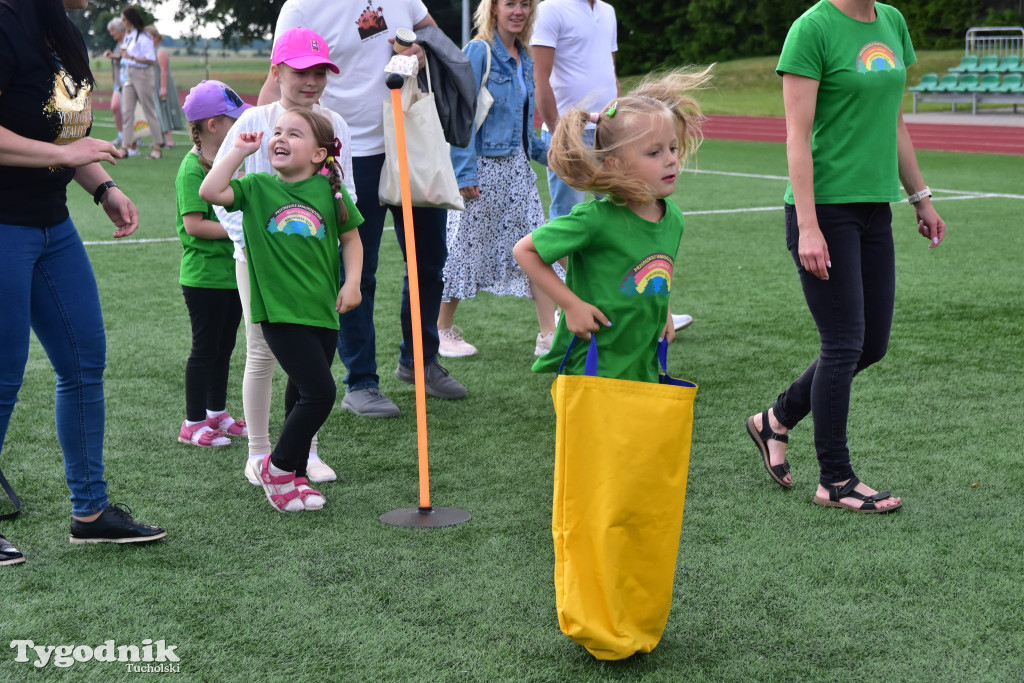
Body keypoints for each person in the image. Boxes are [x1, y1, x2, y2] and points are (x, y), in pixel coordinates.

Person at [745, 0, 945, 513]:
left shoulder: (892, 22)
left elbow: (894, 121)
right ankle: (835, 479)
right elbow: (796, 137)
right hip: (825, 211)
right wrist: (808, 226)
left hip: (876, 208)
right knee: (842, 342)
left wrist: (919, 196)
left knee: (871, 345)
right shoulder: (811, 30)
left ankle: (775, 419)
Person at [0, 0, 167, 564]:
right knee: (2, 374)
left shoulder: (60, 30)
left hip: (52, 225)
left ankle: (90, 512)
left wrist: (102, 187)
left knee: (84, 361)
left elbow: (67, 132)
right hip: (3, 227)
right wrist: (63, 154)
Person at [261, 0, 467, 418]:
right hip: (345, 154)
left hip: (409, 144)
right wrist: (256, 146)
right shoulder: (301, 8)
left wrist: (417, 53)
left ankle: (420, 360)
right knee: (359, 269)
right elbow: (278, 79)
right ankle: (361, 382)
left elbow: (430, 37)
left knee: (429, 261)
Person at [200, 109, 364, 512]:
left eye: (294, 133)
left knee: (299, 395)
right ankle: (277, 467)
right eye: (277, 132)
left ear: (318, 154)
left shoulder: (330, 193)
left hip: (323, 313)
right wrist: (237, 152)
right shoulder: (256, 187)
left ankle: (298, 476)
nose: (280, 138)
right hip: (278, 313)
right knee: (321, 391)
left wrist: (353, 282)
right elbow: (210, 191)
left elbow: (352, 240)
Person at [215, 27, 354, 485]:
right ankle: (258, 453)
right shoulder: (254, 122)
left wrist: (335, 256)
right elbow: (222, 193)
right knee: (261, 352)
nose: (310, 81)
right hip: (256, 259)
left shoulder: (336, 125)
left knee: (313, 358)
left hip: (313, 261)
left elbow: (342, 195)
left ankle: (304, 453)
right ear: (277, 71)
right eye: (300, 72)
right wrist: (254, 245)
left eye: (319, 72)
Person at [513, 68, 711, 382]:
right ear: (614, 165)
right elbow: (526, 251)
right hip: (591, 365)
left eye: (672, 148)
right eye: (654, 152)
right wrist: (571, 306)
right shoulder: (595, 220)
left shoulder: (672, 217)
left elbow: (657, 269)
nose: (671, 159)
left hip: (641, 362)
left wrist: (664, 313)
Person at [440, 0, 556, 359]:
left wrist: (553, 155)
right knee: (463, 248)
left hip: (518, 170)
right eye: (510, 4)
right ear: (493, 9)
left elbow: (523, 129)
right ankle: (441, 330)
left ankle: (548, 335)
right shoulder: (478, 52)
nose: (518, 10)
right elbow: (462, 118)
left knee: (538, 246)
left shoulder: (525, 58)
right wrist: (464, 173)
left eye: (524, 4)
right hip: (481, 170)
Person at [175, 80, 251, 448]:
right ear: (212, 125)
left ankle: (216, 414)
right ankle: (192, 423)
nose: (239, 126)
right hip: (204, 279)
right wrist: (240, 228)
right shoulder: (192, 169)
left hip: (230, 275)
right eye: (232, 120)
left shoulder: (227, 164)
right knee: (204, 349)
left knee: (224, 349)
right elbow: (194, 225)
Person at [530, 0, 618, 221]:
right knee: (567, 218)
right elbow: (540, 78)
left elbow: (611, 71)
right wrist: (560, 132)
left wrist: (620, 120)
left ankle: (609, 258)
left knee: (618, 210)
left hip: (608, 131)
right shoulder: (550, 9)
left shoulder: (608, 11)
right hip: (569, 132)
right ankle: (564, 259)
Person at [118, 5, 163, 159]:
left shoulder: (144, 37)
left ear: (130, 20)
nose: (122, 22)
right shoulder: (128, 36)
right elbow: (126, 56)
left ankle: (157, 147)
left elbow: (151, 59)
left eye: (124, 19)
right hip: (129, 74)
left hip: (143, 74)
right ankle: (125, 147)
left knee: (148, 109)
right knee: (127, 111)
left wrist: (132, 57)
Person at [145, 25, 183, 149]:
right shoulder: (149, 52)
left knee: (164, 110)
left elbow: (164, 71)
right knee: (156, 112)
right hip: (152, 85)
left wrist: (163, 88)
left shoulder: (160, 51)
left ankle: (170, 140)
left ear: (155, 37)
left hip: (161, 85)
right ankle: (159, 139)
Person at [102, 18, 126, 149]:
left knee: (118, 107)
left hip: (126, 82)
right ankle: (123, 136)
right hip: (118, 83)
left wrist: (112, 56)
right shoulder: (119, 43)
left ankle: (131, 137)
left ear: (120, 29)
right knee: (118, 108)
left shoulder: (127, 40)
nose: (111, 33)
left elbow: (125, 56)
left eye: (113, 30)